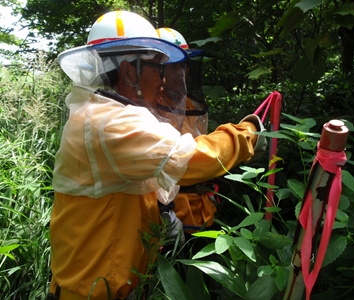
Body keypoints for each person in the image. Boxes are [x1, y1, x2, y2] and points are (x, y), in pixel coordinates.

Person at [48, 10, 266, 300]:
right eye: (158, 69)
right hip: (93, 292)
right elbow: (190, 159)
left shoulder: (103, 113)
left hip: (105, 286)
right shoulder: (109, 123)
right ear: (128, 70)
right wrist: (248, 133)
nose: (165, 81)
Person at [156, 27, 219, 234]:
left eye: (184, 66)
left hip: (203, 207)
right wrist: (164, 211)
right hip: (171, 212)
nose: (180, 73)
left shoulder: (192, 104)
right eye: (174, 67)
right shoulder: (149, 106)